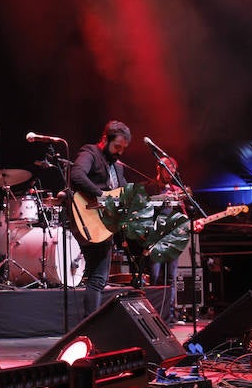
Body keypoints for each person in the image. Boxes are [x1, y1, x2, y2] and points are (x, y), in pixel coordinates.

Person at [70, 120, 131, 314]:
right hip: (89, 219)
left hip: (105, 226)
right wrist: (102, 195)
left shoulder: (118, 168)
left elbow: (123, 192)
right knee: (97, 278)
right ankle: (91, 325)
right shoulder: (90, 153)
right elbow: (77, 175)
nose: (120, 152)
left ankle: (91, 323)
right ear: (105, 139)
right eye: (117, 147)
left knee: (98, 279)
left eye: (123, 149)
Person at [143, 156, 188, 324]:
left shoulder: (177, 190)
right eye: (168, 171)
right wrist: (162, 199)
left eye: (173, 172)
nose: (170, 175)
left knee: (171, 278)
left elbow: (184, 214)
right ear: (159, 168)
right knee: (154, 276)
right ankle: (152, 314)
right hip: (155, 238)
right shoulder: (149, 187)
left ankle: (169, 314)